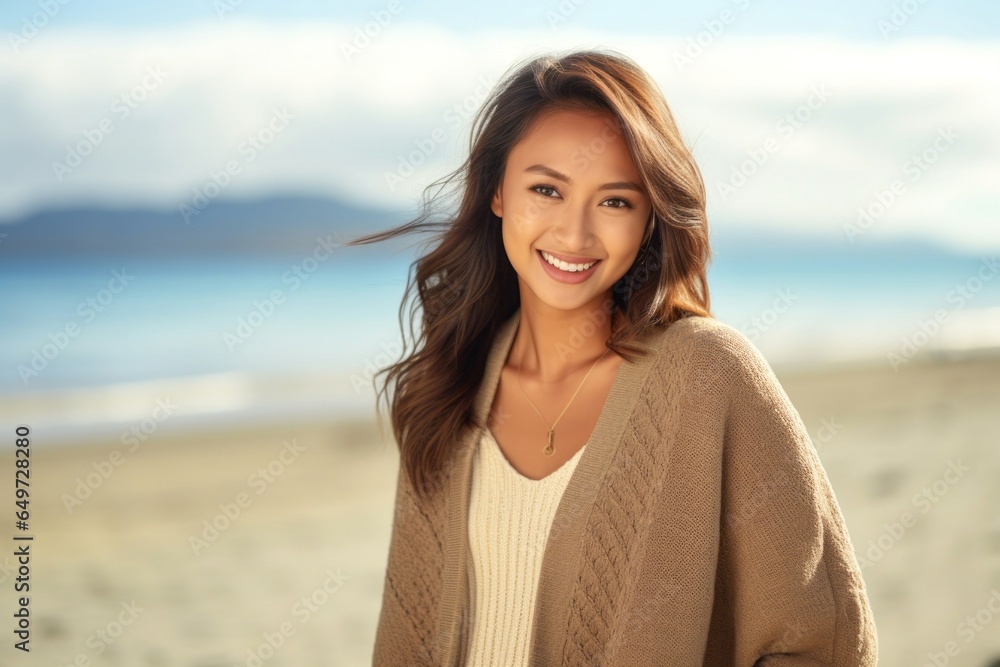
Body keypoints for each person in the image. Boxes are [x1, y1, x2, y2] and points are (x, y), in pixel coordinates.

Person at [346, 48, 878, 666]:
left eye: (615, 201)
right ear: (496, 192)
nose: (574, 235)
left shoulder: (709, 374)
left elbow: (823, 643)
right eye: (546, 189)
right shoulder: (445, 386)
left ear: (651, 216)